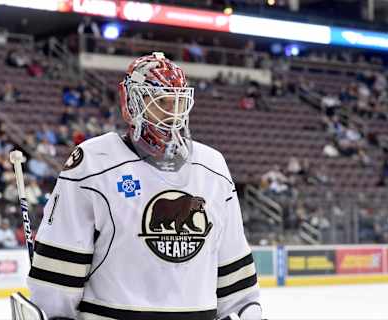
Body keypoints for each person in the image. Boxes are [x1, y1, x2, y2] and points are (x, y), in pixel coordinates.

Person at [23, 53, 262, 320]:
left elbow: (234, 276)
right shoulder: (93, 162)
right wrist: (48, 310)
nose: (171, 115)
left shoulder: (212, 167)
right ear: (132, 103)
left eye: (177, 103)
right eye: (159, 103)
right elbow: (59, 277)